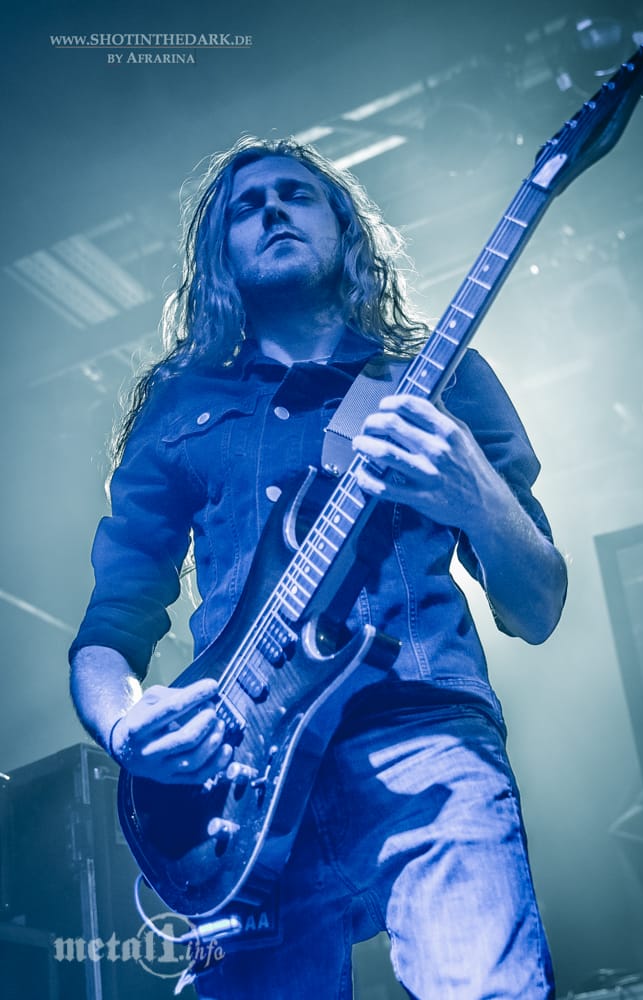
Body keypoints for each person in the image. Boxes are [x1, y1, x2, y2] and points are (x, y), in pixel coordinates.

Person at [69, 136, 567, 999]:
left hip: (422, 744)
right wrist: (124, 728)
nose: (271, 209)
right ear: (220, 253)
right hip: (235, 790)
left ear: (344, 225)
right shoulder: (180, 407)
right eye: (244, 205)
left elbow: (539, 607)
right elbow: (112, 621)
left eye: (296, 194)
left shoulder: (437, 378)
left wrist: (475, 492)